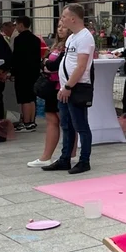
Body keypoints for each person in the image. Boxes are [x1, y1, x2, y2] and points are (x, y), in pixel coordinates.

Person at [43, 4, 94, 174]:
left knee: (80, 125)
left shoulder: (85, 37)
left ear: (73, 18)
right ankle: (65, 158)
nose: (62, 19)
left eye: (64, 16)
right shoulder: (72, 37)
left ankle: (84, 160)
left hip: (76, 87)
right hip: (65, 87)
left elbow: (81, 66)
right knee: (66, 124)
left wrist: (68, 86)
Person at [28, 22, 77, 168]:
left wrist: (48, 64)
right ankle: (46, 156)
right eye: (59, 26)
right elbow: (44, 63)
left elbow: (53, 65)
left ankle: (71, 154)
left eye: (64, 26)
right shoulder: (56, 45)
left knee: (66, 122)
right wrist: (47, 64)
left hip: (61, 87)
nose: (60, 29)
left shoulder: (70, 45)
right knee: (51, 119)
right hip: (51, 88)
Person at [12, 16, 42, 132]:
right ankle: (32, 122)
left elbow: (16, 57)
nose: (16, 27)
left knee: (24, 98)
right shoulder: (36, 39)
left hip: (22, 72)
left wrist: (12, 72)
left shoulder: (19, 40)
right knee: (32, 97)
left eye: (16, 24)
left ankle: (26, 122)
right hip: (34, 71)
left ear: (21, 25)